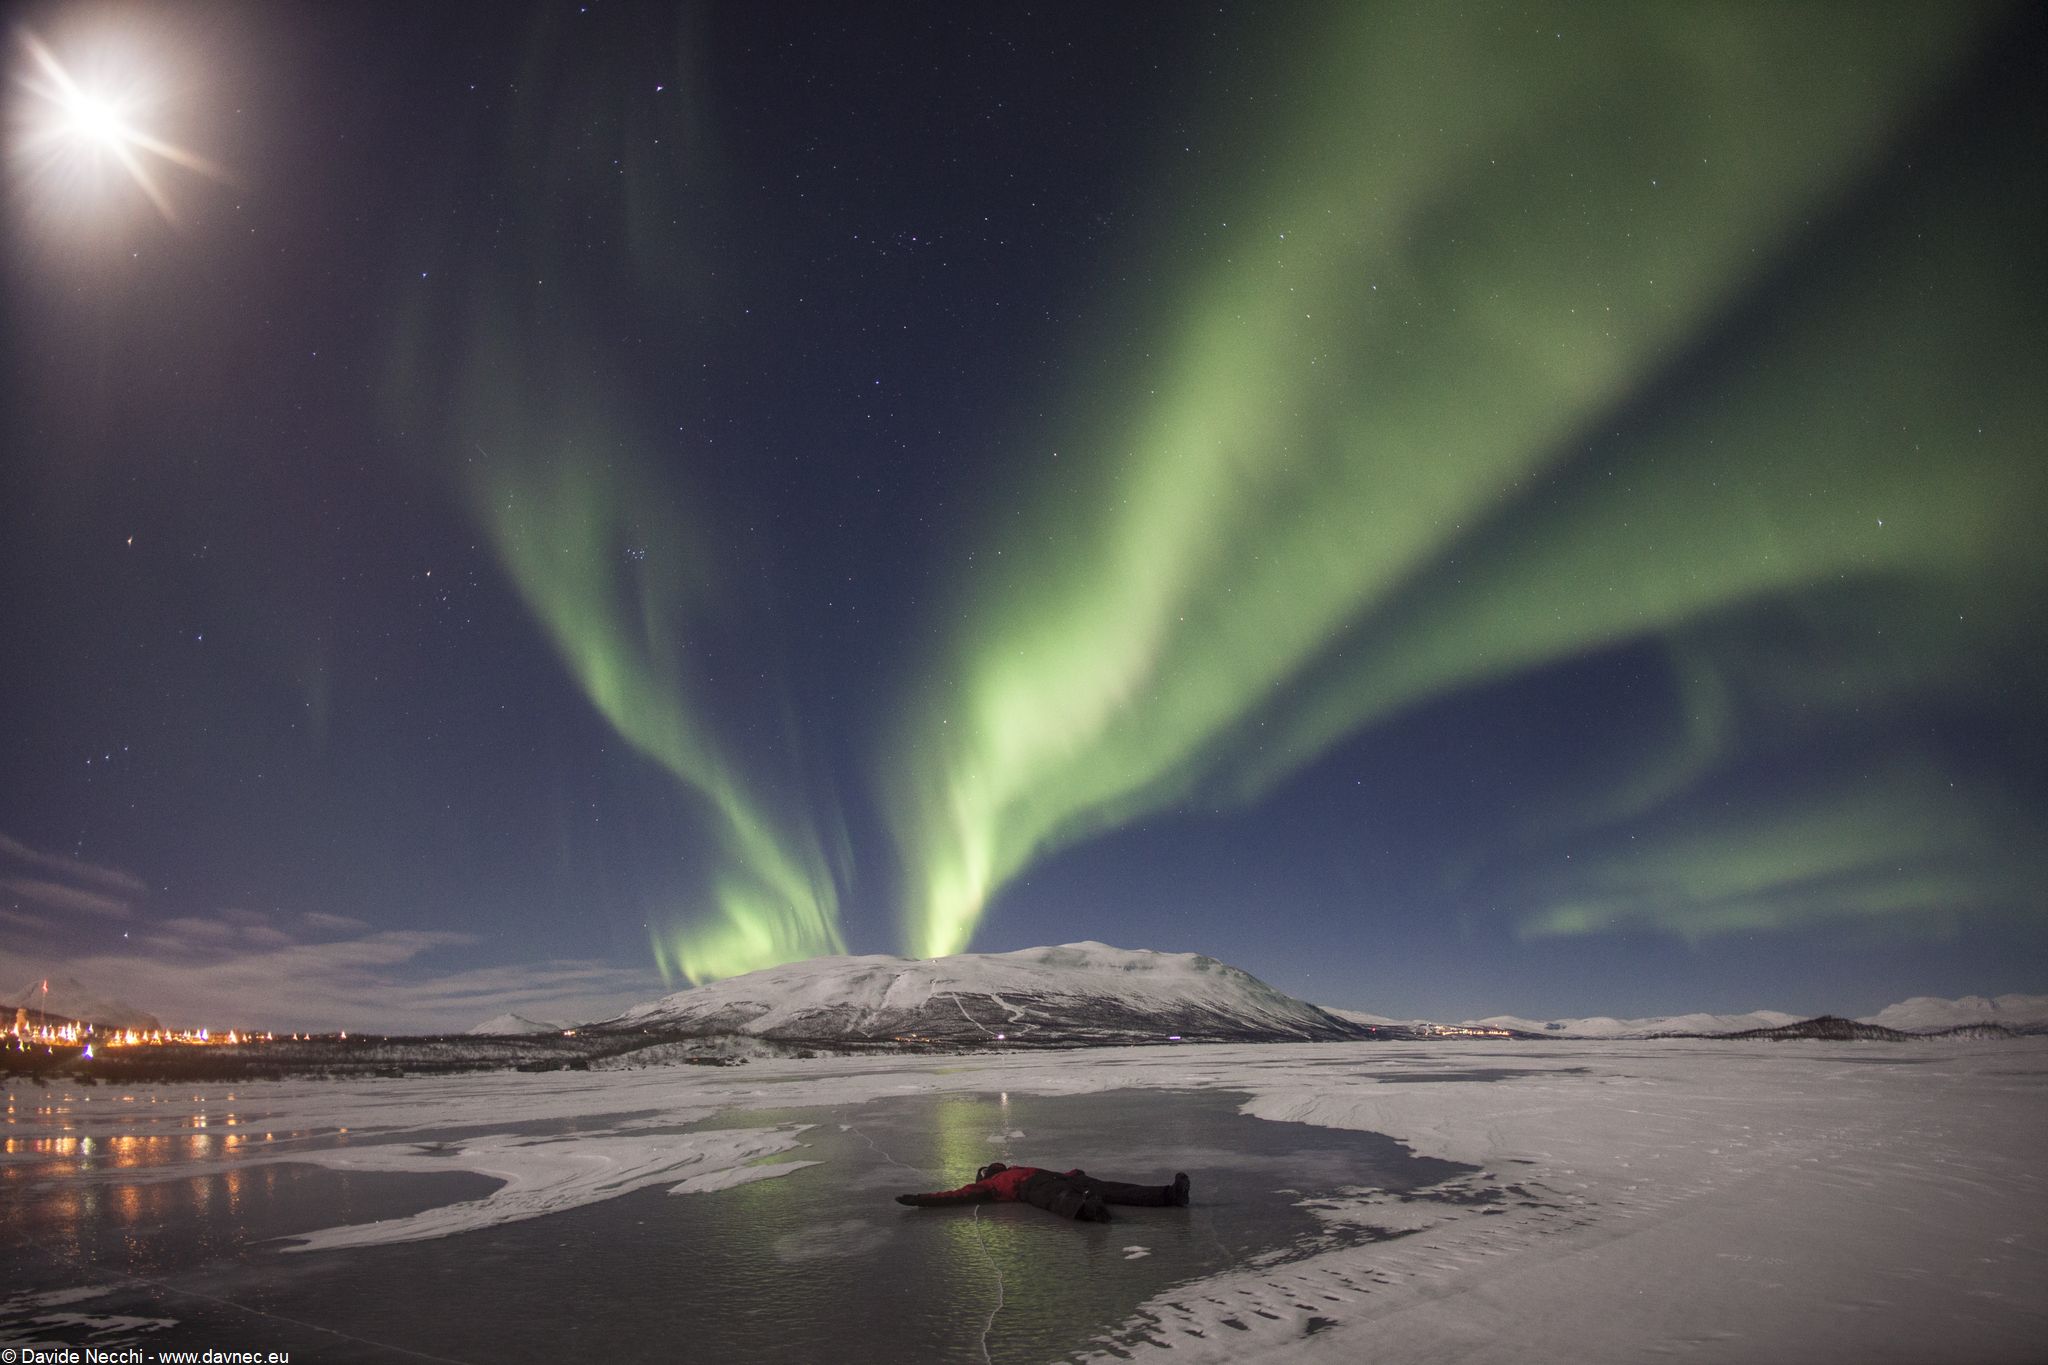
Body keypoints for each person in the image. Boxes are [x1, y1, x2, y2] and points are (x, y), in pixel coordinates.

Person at [895, 1161, 1191, 1223]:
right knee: (1059, 1200)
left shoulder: (1009, 1172)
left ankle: (1170, 1194)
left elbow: (1058, 1178)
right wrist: (921, 1200)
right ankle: (1089, 1209)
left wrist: (1074, 1174)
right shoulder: (987, 1186)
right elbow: (955, 1196)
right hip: (1036, 1184)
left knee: (1112, 1188)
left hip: (1046, 1180)